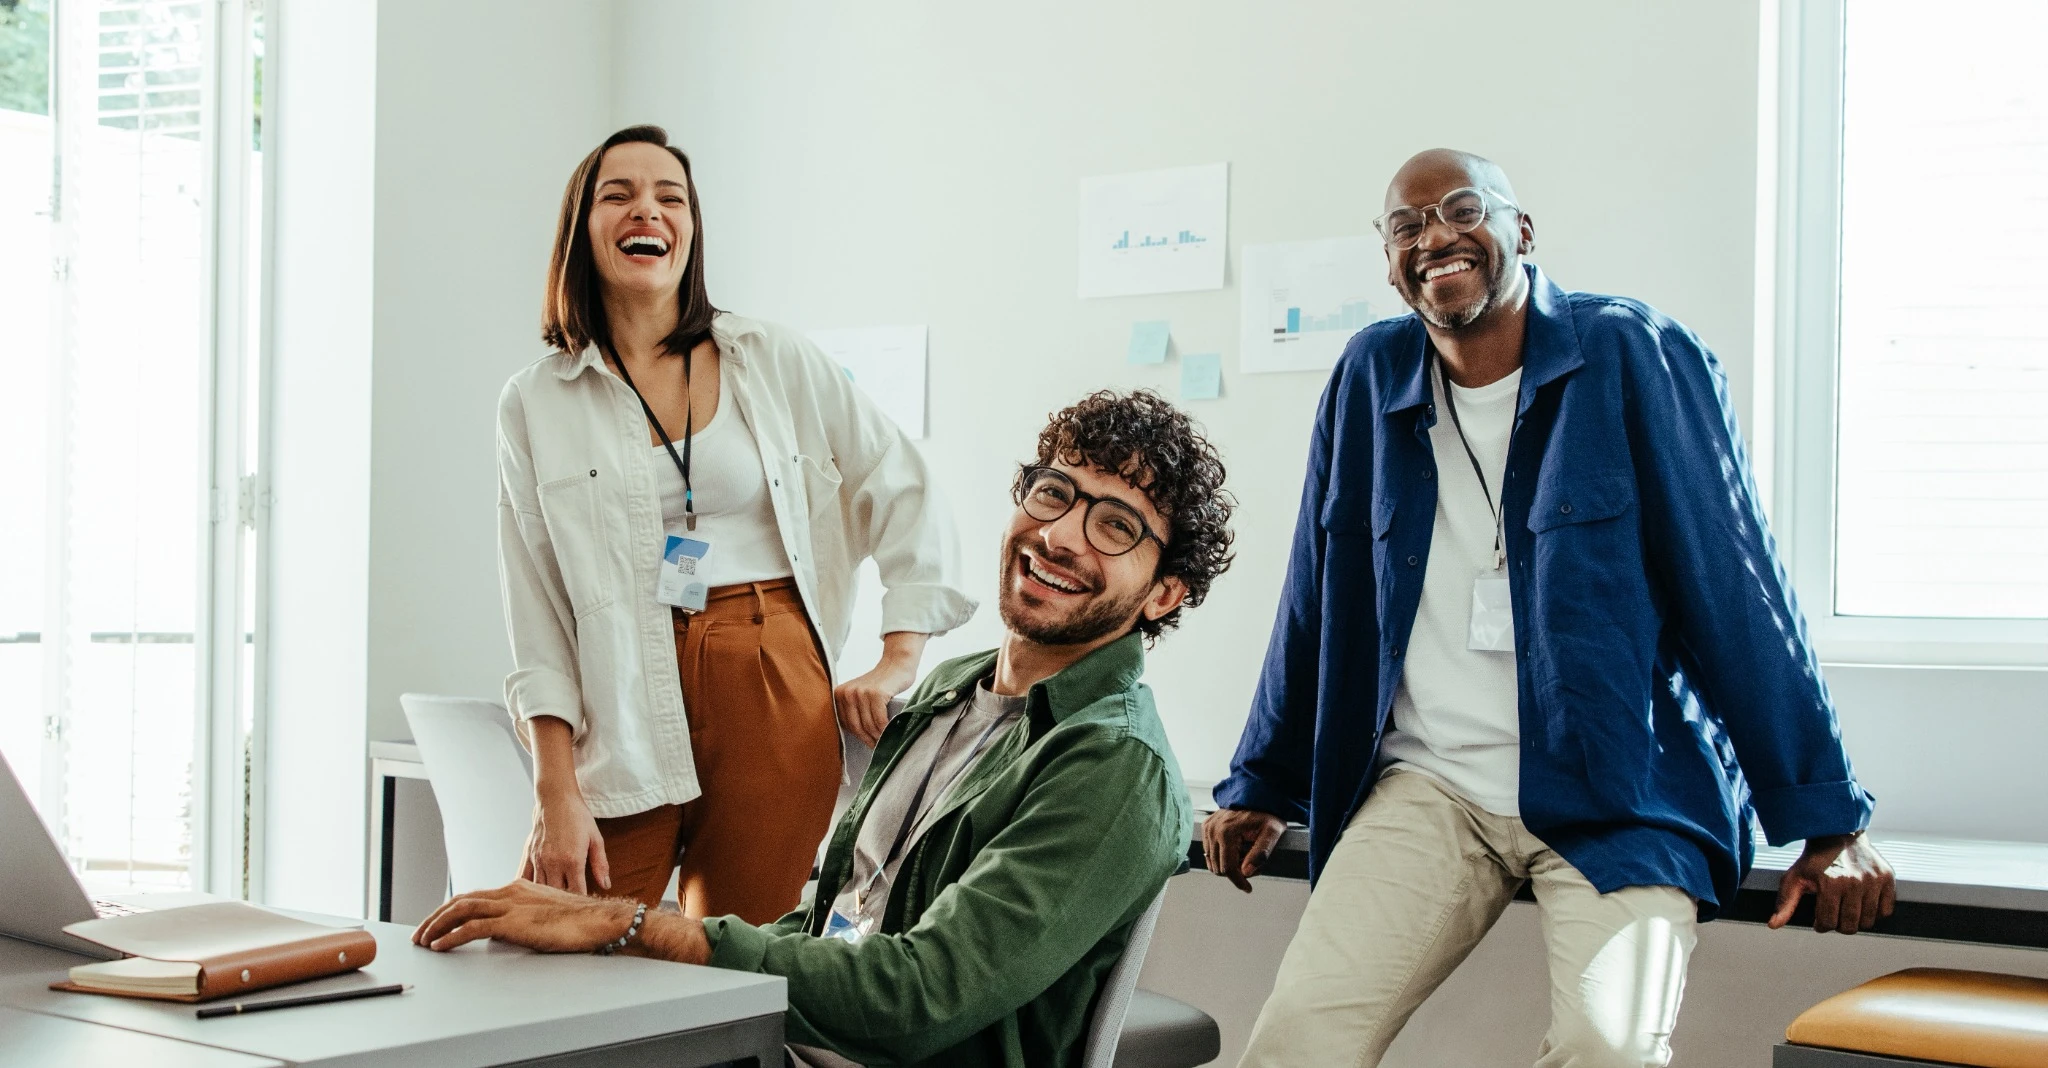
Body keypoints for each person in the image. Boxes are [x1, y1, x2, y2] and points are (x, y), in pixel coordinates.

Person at [1201, 149, 1897, 1068]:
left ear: (1519, 230)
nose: (1436, 237)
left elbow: (1735, 582)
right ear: (1387, 258)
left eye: (1461, 210)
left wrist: (1829, 819)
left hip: (1617, 790)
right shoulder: (1370, 373)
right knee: (1296, 1041)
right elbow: (1318, 590)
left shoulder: (1631, 351)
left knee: (1606, 1048)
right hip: (1431, 787)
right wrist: (1263, 780)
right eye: (1407, 226)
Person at [421, 390, 1236, 1068]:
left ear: (1164, 593)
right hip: (801, 1043)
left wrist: (636, 925)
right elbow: (836, 921)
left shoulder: (1112, 763)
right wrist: (631, 944)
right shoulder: (953, 690)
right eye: (1054, 493)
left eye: (1116, 526)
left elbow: (917, 997)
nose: (1059, 535)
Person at [498, 124, 976, 925]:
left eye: (669, 196)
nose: (645, 209)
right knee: (561, 939)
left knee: (747, 956)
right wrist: (555, 787)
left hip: (770, 671)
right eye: (618, 194)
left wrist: (898, 659)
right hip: (617, 690)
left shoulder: (772, 358)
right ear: (582, 229)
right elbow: (534, 603)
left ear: (690, 230)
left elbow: (904, 487)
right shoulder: (536, 400)